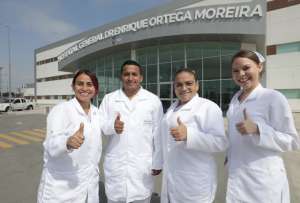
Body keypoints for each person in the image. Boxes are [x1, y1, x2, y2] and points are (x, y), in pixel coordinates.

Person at [226, 50, 300, 202]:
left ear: (259, 67)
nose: (241, 74)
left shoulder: (273, 97)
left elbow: (292, 140)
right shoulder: (235, 99)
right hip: (237, 176)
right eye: (236, 71)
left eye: (246, 68)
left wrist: (258, 130)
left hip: (263, 182)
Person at [99, 60, 163, 203]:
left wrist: (158, 161)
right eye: (126, 74)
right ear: (121, 77)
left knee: (141, 197)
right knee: (115, 198)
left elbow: (158, 134)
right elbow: (101, 125)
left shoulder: (153, 100)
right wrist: (112, 126)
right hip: (116, 165)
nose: (130, 78)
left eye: (134, 74)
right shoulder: (109, 99)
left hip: (142, 166)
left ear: (141, 78)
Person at [160, 68, 228, 203]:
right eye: (179, 85)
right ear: (174, 87)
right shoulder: (172, 108)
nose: (184, 88)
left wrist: (189, 135)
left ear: (197, 85)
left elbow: (220, 142)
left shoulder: (208, 107)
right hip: (172, 177)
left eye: (189, 83)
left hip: (194, 182)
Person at [37, 70, 102, 203]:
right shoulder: (61, 110)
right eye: (80, 84)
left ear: (95, 89)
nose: (84, 88)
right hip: (62, 189)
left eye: (89, 84)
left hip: (89, 186)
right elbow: (50, 144)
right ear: (73, 87)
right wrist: (67, 142)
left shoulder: (96, 112)